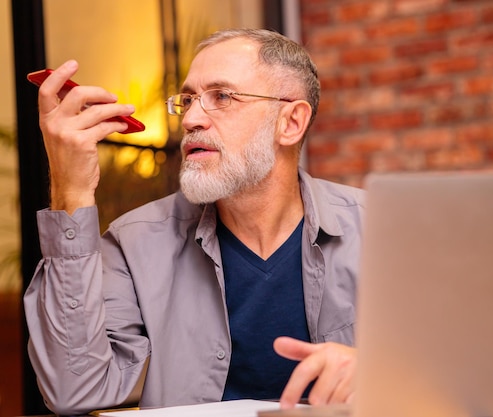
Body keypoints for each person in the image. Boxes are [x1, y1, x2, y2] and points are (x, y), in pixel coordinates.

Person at [23, 28, 364, 416]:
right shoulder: (133, 244)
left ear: (290, 123)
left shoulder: (380, 232)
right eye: (187, 100)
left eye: (221, 96)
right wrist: (73, 192)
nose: (191, 119)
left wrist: (376, 373)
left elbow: (442, 371)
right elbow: (74, 392)